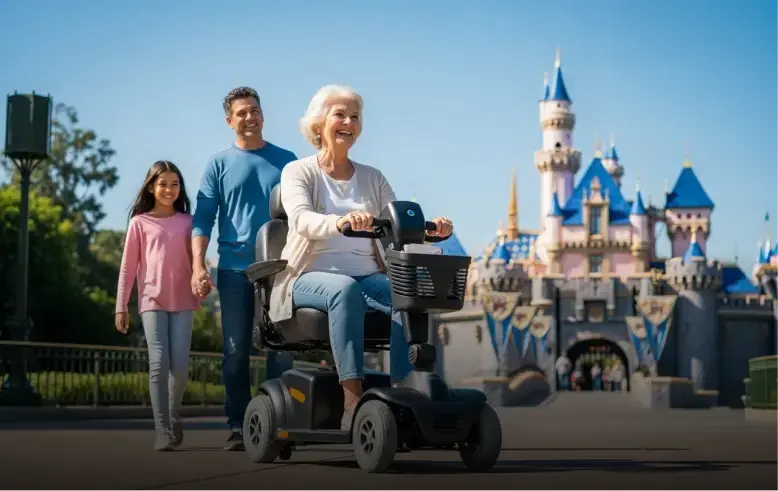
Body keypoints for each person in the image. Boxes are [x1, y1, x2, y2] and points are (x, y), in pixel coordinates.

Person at [268, 84, 454, 432]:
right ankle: (352, 401)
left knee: (406, 294)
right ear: (319, 123)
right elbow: (302, 220)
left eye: (355, 117)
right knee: (344, 289)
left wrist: (432, 231)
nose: (348, 123)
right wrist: (340, 222)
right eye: (339, 114)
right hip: (308, 275)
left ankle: (403, 393)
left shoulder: (373, 177)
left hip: (367, 275)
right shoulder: (298, 171)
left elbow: (398, 224)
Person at [191, 87, 298, 451]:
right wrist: (198, 266)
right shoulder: (218, 164)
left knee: (280, 349)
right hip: (234, 270)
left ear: (262, 114)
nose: (249, 117)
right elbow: (203, 219)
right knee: (235, 351)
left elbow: (302, 215)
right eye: (241, 113)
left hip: (279, 269)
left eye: (254, 110)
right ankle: (239, 424)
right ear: (229, 120)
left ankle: (279, 423)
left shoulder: (287, 161)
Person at [115, 160, 201, 451]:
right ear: (151, 187)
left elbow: (197, 262)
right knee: (158, 363)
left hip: (184, 300)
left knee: (180, 367)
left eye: (175, 184)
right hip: (151, 300)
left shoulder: (189, 222)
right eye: (163, 184)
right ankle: (162, 428)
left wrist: (204, 282)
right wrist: (121, 305)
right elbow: (128, 267)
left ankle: (174, 416)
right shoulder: (139, 223)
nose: (169, 189)